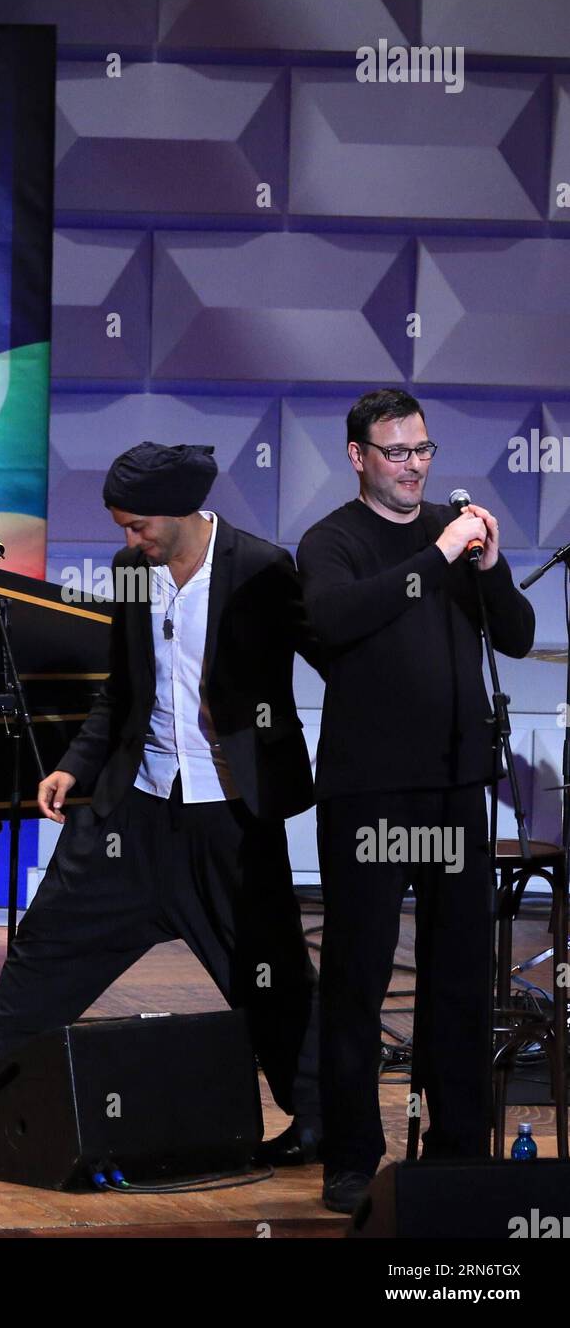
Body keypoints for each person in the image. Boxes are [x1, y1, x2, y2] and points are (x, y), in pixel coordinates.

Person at [0, 440, 323, 1163]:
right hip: (137, 805)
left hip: (230, 818)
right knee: (51, 940)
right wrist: (75, 764)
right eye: (122, 527)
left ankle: (317, 1121)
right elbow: (122, 689)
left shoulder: (261, 568)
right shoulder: (132, 574)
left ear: (180, 511)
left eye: (137, 526)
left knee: (268, 976)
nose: (129, 540)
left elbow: (327, 652)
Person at [296, 389, 535, 1213]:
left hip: (456, 782)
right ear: (358, 455)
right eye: (396, 453)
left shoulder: (456, 535)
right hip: (370, 793)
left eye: (423, 451)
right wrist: (437, 555)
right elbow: (335, 618)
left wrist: (491, 566)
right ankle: (352, 1155)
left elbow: (516, 635)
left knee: (460, 976)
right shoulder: (332, 540)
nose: (413, 467)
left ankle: (459, 1145)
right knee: (359, 976)